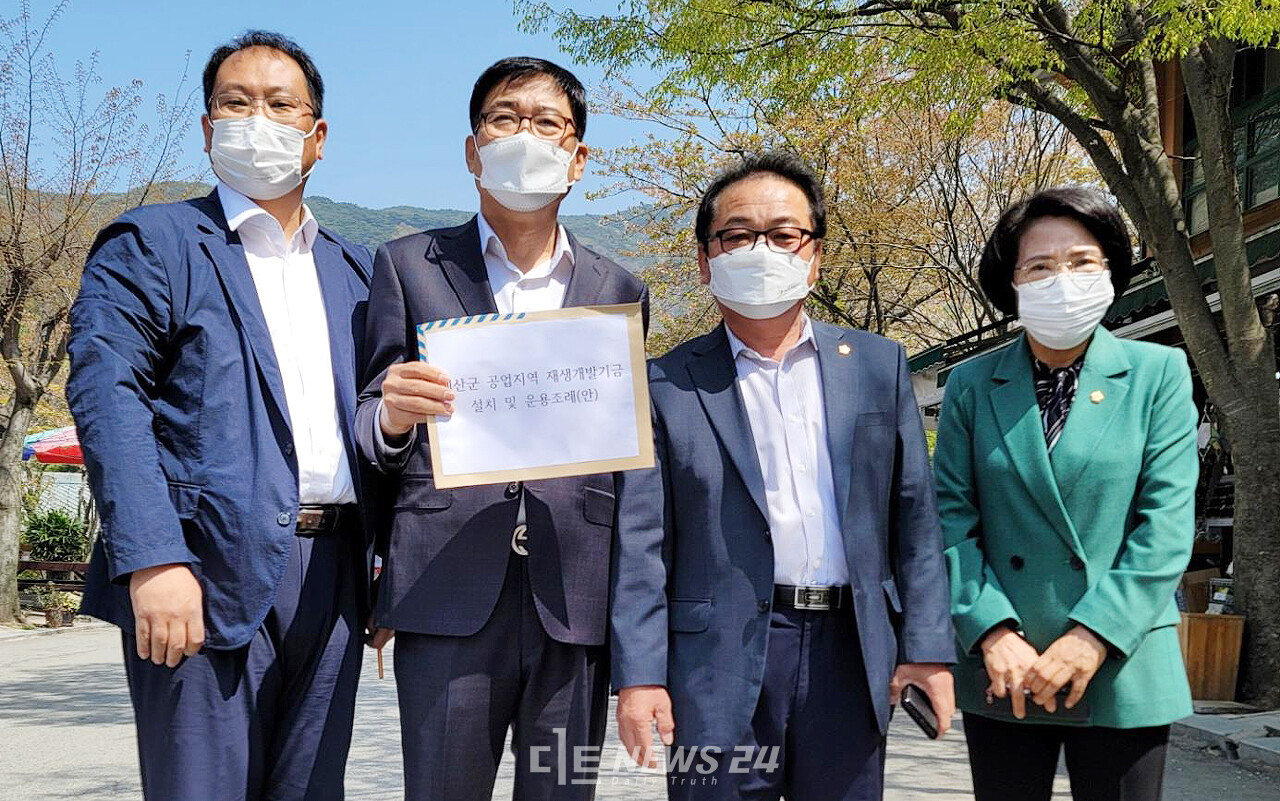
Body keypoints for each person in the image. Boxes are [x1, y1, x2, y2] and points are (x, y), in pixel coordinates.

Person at [67, 31, 373, 801]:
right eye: (235, 103)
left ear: (318, 136)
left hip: (334, 582)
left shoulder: (359, 272)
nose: (256, 120)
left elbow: (381, 424)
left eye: (279, 104)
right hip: (199, 571)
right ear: (207, 130)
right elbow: (109, 397)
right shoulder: (154, 244)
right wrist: (152, 558)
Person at [611, 153, 955, 801]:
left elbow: (916, 519)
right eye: (737, 235)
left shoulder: (877, 366)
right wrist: (639, 676)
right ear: (706, 260)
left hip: (850, 654)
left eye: (782, 234)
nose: (760, 249)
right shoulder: (664, 382)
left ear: (814, 254)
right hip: (715, 663)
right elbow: (640, 544)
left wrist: (928, 647)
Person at [354, 56, 648, 800]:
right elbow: (367, 416)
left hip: (574, 595)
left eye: (548, 123)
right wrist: (391, 415)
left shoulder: (619, 290)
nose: (526, 135)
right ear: (472, 147)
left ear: (578, 158)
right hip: (446, 585)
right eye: (505, 118)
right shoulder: (405, 266)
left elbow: (630, 458)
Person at [933, 187, 1196, 801]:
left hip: (1119, 657)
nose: (1063, 279)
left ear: (1111, 271)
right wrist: (991, 630)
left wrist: (1092, 635)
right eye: (1040, 266)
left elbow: (1165, 524)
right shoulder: (972, 382)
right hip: (1005, 665)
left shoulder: (1158, 374)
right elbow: (948, 518)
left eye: (1083, 261)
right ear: (1012, 282)